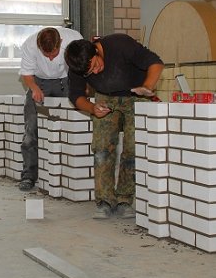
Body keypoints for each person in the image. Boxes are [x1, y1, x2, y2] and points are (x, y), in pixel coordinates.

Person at [64, 34, 164, 219]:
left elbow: (156, 63)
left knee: (132, 149)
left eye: (95, 65)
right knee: (102, 148)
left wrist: (147, 87)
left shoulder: (120, 45)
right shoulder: (78, 65)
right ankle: (104, 201)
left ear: (96, 50)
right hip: (105, 98)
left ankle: (125, 199)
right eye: (89, 73)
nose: (95, 72)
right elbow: (76, 96)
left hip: (136, 96)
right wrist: (92, 108)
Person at [18, 26, 83, 191]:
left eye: (54, 53)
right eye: (46, 55)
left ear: (61, 42)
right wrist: (34, 88)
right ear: (39, 46)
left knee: (73, 126)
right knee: (31, 128)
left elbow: (82, 66)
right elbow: (26, 73)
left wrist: (82, 89)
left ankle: (72, 174)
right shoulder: (29, 45)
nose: (51, 58)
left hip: (67, 80)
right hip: (39, 81)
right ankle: (28, 176)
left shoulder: (74, 39)